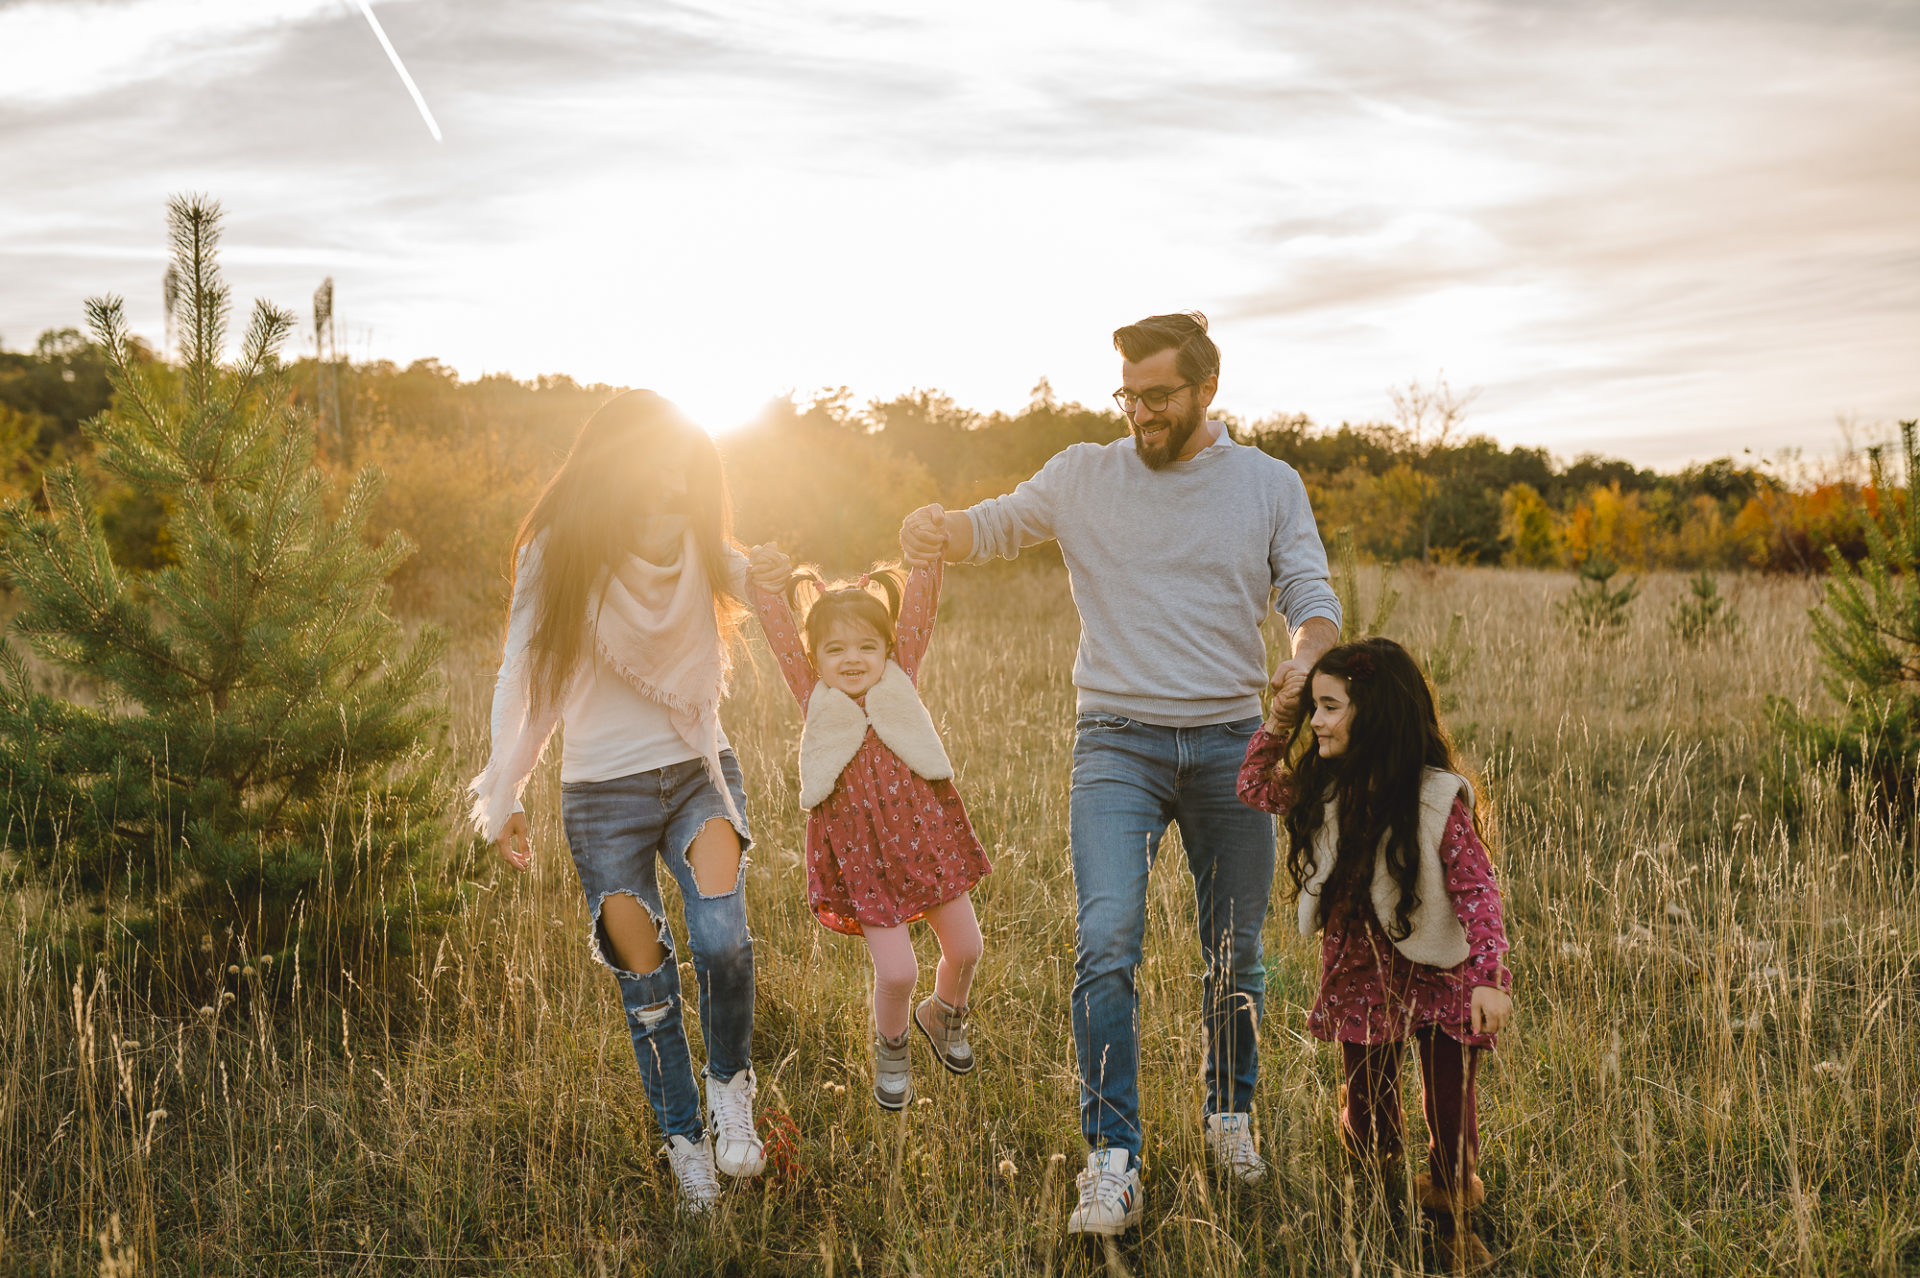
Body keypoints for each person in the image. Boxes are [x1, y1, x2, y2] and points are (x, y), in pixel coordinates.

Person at [898, 311, 1342, 1236]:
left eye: (1159, 396)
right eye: (1128, 396)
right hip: (1117, 744)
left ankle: (1230, 1118)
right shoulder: (1082, 474)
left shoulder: (1267, 484)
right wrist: (937, 527)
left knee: (1237, 954)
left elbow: (1309, 591)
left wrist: (1308, 658)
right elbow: (999, 525)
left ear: (1206, 390)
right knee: (1106, 942)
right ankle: (1113, 1159)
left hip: (1231, 744)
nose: (1140, 412)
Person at [469, 390, 765, 1215]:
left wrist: (791, 577)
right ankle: (685, 1144)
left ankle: (729, 1087)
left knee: (724, 940)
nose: (674, 487)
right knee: (647, 982)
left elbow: (753, 574)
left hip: (699, 774)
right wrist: (505, 789)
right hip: (602, 803)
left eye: (686, 470)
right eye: (657, 470)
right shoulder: (558, 552)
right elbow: (518, 675)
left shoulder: (698, 541)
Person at [1237, 636, 1514, 1272]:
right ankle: (1373, 1195)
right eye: (1313, 708)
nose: (1317, 720)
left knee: (1451, 1110)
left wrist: (1488, 978)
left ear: (1376, 712)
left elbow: (1478, 891)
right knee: (1370, 1110)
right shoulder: (1324, 787)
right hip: (1362, 976)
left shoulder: (1438, 797)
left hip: (1442, 974)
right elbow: (1252, 784)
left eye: (1329, 707)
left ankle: (1452, 1218)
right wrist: (1278, 719)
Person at [745, 549, 991, 1109]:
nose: (852, 659)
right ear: (813, 657)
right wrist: (765, 586)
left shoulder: (900, 677)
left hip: (925, 845)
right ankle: (893, 1044)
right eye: (835, 649)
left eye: (866, 647)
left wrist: (928, 555)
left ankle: (944, 1014)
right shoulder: (816, 697)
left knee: (968, 947)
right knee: (898, 971)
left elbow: (919, 612)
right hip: (864, 860)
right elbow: (780, 629)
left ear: (887, 650)